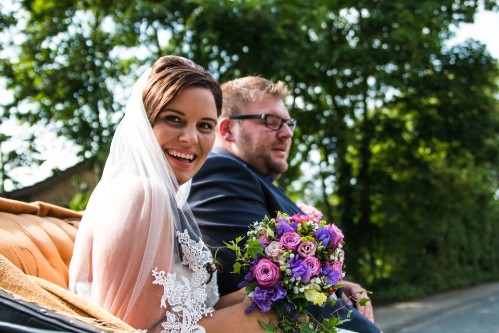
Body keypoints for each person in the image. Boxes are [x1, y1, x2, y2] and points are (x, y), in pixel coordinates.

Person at [68, 57, 278, 333]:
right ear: (145, 123)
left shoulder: (163, 198)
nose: (190, 138)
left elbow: (189, 311)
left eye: (204, 126)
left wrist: (277, 291)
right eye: (174, 119)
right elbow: (130, 330)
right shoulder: (142, 195)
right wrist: (260, 320)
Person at [188, 76, 382, 333]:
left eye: (289, 123)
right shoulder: (221, 172)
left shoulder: (252, 178)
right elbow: (270, 287)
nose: (287, 132)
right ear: (226, 130)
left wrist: (337, 285)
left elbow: (293, 273)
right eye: (271, 121)